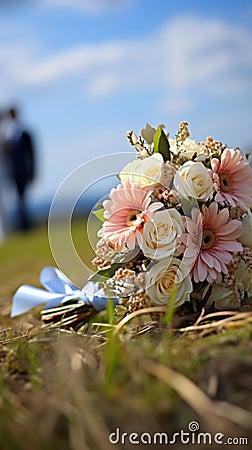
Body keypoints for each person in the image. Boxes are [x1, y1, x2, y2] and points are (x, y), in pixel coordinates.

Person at [4, 107, 36, 230]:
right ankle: (21, 224)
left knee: (23, 198)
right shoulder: (8, 135)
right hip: (12, 171)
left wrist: (32, 172)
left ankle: (25, 224)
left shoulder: (25, 134)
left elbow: (31, 154)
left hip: (23, 171)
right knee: (18, 198)